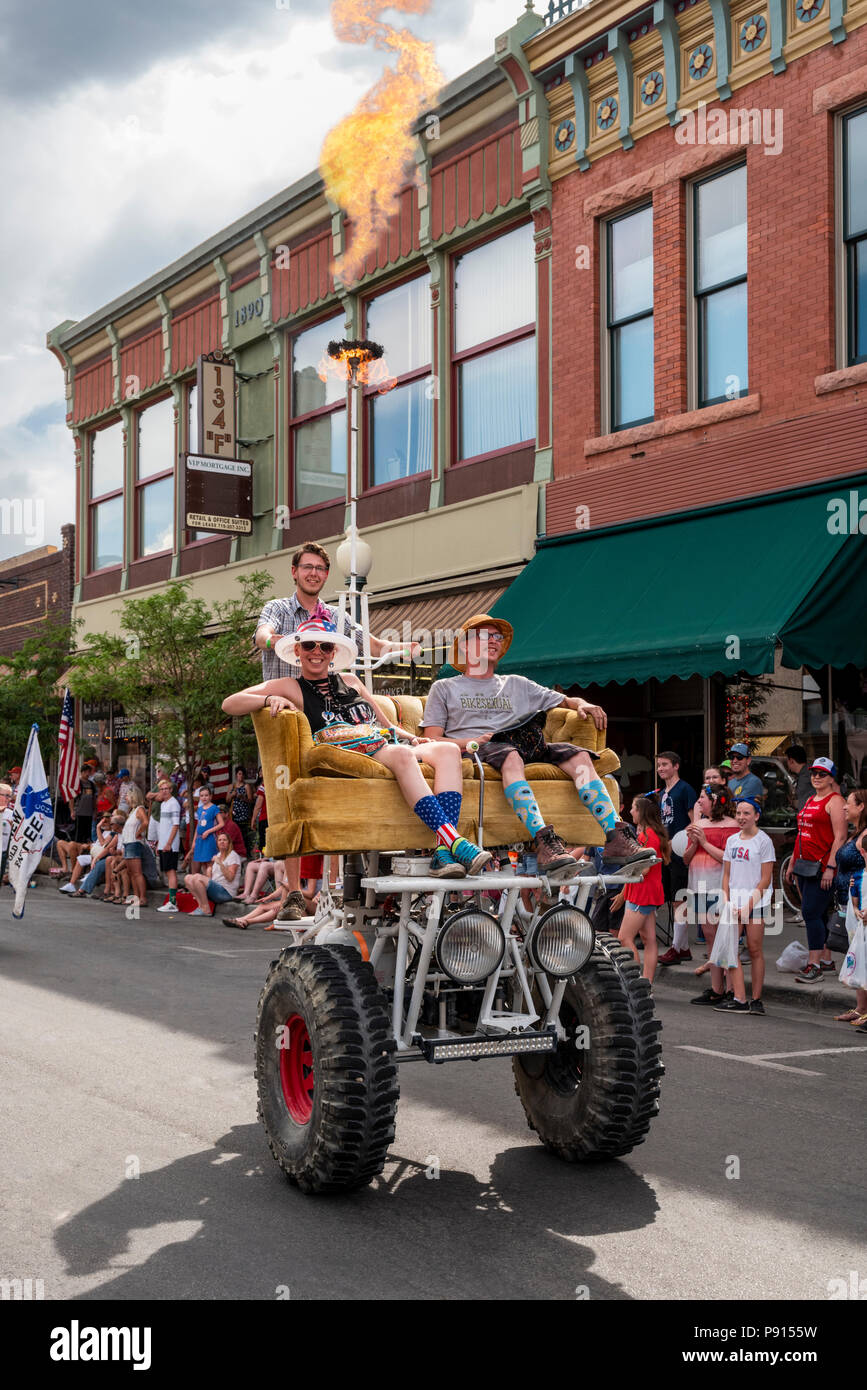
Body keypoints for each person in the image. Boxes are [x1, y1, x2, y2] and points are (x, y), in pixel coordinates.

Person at [222, 617, 492, 880]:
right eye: (309, 645)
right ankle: (455, 841)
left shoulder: (351, 681)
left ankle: (443, 851)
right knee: (400, 754)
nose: (317, 652)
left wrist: (414, 739)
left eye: (325, 647)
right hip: (347, 749)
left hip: (382, 743)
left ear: (333, 652)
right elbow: (230, 703)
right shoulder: (291, 686)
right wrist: (270, 697)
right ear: (297, 650)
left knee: (448, 751)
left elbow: (386, 726)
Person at [420, 613, 654, 876]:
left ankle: (616, 836)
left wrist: (583, 703)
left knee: (578, 755)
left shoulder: (517, 684)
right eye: (485, 636)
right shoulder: (444, 688)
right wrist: (471, 741)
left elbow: (566, 701)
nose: (494, 641)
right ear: (464, 645)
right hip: (484, 749)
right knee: (511, 756)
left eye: (498, 637)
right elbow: (432, 740)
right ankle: (543, 840)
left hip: (526, 742)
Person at [662, 783, 738, 970]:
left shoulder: (733, 826)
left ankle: (728, 981)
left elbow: (728, 859)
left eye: (702, 797)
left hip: (719, 886)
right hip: (699, 886)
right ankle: (716, 984)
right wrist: (695, 843)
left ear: (715, 801)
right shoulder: (698, 825)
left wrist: (703, 841)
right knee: (709, 934)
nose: (698, 801)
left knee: (723, 935)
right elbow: (686, 859)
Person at [786, 757, 848, 983]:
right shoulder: (811, 799)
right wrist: (792, 862)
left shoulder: (836, 801)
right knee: (819, 914)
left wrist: (831, 867)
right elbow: (801, 834)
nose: (816, 777)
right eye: (814, 773)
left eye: (822, 774)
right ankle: (827, 960)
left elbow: (840, 838)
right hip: (804, 865)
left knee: (811, 914)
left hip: (822, 867)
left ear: (832, 778)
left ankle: (814, 966)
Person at [714, 797, 776, 1014]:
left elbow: (766, 878)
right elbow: (727, 875)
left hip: (755, 902)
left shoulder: (764, 841)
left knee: (754, 949)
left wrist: (749, 905)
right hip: (734, 903)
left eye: (746, 813)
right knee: (730, 948)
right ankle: (739, 997)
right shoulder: (732, 841)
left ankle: (756, 999)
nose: (741, 817)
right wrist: (727, 900)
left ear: (756, 816)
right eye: (738, 813)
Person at [610, 796, 670, 982]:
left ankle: (636, 983)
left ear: (641, 811)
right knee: (648, 940)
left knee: (624, 938)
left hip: (642, 892)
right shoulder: (651, 834)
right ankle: (646, 984)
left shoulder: (647, 835)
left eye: (633, 808)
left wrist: (625, 868)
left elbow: (644, 869)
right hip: (646, 891)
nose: (630, 811)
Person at [832, 790, 867, 1027]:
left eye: (849, 804)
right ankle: (861, 1008)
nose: (844, 807)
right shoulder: (857, 832)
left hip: (863, 905)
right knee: (857, 955)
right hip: (851, 902)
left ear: (862, 806)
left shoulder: (866, 836)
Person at [653, 751, 697, 920]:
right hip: (664, 850)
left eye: (664, 765)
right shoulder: (662, 793)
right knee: (664, 894)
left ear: (676, 766)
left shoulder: (685, 789)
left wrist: (676, 840)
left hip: (679, 851)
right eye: (658, 765)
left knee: (679, 897)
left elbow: (694, 821)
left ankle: (680, 942)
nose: (660, 768)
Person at [60, 814, 123, 897]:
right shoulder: (116, 834)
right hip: (106, 855)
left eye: (111, 823)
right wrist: (96, 858)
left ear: (118, 825)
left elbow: (105, 845)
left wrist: (114, 853)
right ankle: (79, 887)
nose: (109, 824)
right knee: (97, 861)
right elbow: (107, 848)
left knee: (102, 863)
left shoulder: (120, 833)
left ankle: (87, 890)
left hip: (119, 857)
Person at [185, 831, 242, 916]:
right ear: (217, 843)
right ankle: (201, 907)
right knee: (188, 878)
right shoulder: (218, 855)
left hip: (226, 892)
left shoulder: (233, 856)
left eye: (224, 840)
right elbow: (212, 880)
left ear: (229, 843)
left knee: (197, 877)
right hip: (216, 889)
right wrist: (209, 872)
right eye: (219, 840)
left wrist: (219, 863)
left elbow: (230, 877)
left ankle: (206, 909)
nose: (222, 842)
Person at [154, 778, 182, 914]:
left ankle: (172, 901)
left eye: (166, 789)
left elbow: (175, 825)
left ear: (171, 790)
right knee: (167, 871)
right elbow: (163, 826)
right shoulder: (163, 804)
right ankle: (171, 900)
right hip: (163, 843)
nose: (164, 791)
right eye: (162, 789)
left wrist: (169, 843)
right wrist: (160, 843)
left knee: (171, 871)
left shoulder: (173, 804)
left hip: (170, 844)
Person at [119, 786, 150, 908]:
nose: (125, 798)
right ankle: (136, 897)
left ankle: (142, 897)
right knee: (131, 872)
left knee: (137, 872)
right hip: (128, 843)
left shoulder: (139, 809)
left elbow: (145, 822)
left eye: (127, 795)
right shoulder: (132, 811)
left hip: (134, 843)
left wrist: (139, 832)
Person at [192, 784, 219, 874]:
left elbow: (221, 823)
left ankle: (210, 883)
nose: (204, 797)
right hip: (200, 839)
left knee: (209, 862)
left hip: (209, 838)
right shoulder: (199, 809)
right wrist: (194, 841)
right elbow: (198, 826)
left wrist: (208, 831)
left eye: (206, 795)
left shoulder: (214, 808)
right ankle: (204, 883)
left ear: (210, 796)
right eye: (202, 795)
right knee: (203, 862)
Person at [230, 767, 255, 856]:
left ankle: (245, 853)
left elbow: (251, 800)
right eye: (239, 773)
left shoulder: (246, 786)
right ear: (236, 775)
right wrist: (232, 795)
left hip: (243, 814)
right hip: (234, 814)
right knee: (234, 835)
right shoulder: (232, 786)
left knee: (244, 835)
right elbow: (227, 799)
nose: (241, 776)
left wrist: (243, 798)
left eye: (242, 774)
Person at [785, 744, 813, 812]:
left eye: (787, 761)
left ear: (791, 761)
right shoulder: (804, 774)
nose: (787, 764)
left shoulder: (810, 774)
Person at [0, 781, 14, 886]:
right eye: (6, 796)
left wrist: (14, 827)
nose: (9, 799)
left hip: (3, 853)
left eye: (10, 796)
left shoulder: (11, 814)